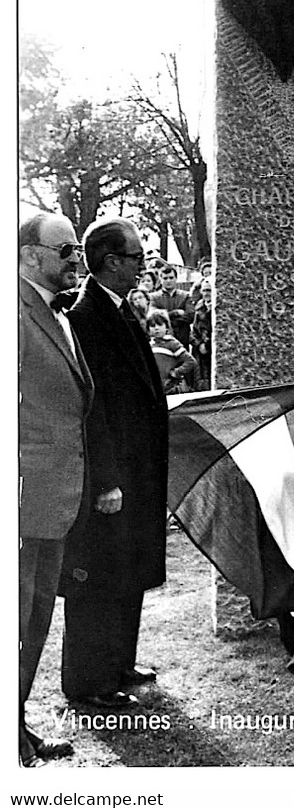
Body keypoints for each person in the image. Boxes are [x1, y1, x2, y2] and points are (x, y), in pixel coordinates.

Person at [59, 217, 169, 709]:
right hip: (112, 477)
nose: (143, 268)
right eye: (137, 259)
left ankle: (119, 663)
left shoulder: (119, 310)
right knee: (100, 578)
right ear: (110, 262)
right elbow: (91, 408)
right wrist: (106, 479)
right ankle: (89, 681)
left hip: (136, 471)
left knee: (128, 571)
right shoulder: (85, 317)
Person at [19, 214, 94, 766]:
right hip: (22, 500)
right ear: (28, 257)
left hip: (52, 500)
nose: (76, 258)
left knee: (35, 617)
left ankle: (12, 728)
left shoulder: (53, 312)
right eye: (64, 249)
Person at [147, 309, 197, 394]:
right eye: (152, 326)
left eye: (160, 324)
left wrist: (177, 372)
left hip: (171, 388)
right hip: (156, 388)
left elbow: (191, 361)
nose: (156, 328)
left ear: (167, 326)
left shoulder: (172, 343)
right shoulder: (149, 345)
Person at [150, 265, 195, 349]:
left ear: (176, 278)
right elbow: (155, 317)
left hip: (182, 341)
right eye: (165, 278)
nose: (168, 281)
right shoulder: (154, 297)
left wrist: (166, 318)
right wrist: (176, 313)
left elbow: (190, 316)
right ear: (160, 280)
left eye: (171, 278)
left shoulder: (185, 296)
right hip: (161, 342)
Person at [190, 277, 213, 390]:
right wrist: (199, 344)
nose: (206, 294)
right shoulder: (199, 308)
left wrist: (208, 345)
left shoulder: (218, 309)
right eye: (204, 290)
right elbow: (193, 331)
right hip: (200, 352)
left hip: (212, 350)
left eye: (209, 290)